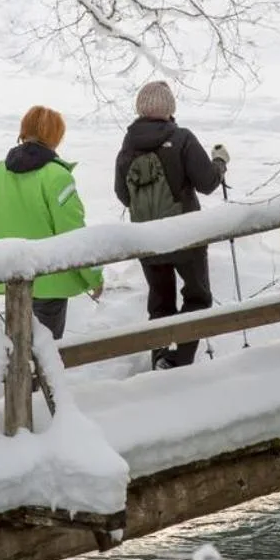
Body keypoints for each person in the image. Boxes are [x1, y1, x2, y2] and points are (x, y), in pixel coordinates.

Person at [113, 80, 228, 368]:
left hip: (147, 238)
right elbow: (207, 183)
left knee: (161, 304)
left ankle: (160, 358)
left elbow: (123, 195)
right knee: (197, 296)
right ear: (169, 109)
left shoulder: (127, 147)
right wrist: (220, 162)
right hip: (185, 235)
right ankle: (183, 360)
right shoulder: (182, 139)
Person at [0, 106, 101, 340]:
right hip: (50, 279)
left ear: (23, 131)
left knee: (18, 345)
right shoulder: (57, 177)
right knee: (44, 351)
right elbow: (73, 234)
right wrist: (94, 277)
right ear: (56, 137)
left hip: (10, 276)